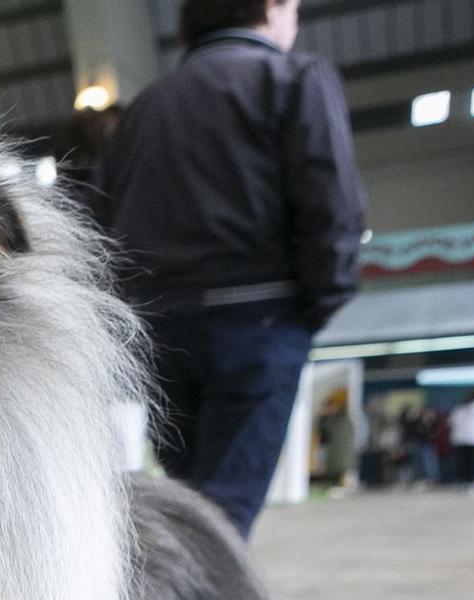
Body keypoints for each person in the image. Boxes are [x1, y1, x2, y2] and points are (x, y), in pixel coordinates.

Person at [95, 0, 366, 536]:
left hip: (159, 330)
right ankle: (195, 594)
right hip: (259, 319)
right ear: (271, 7)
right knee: (222, 519)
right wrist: (316, 304)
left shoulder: (145, 107)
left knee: (191, 509)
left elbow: (100, 223)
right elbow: (332, 204)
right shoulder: (292, 79)